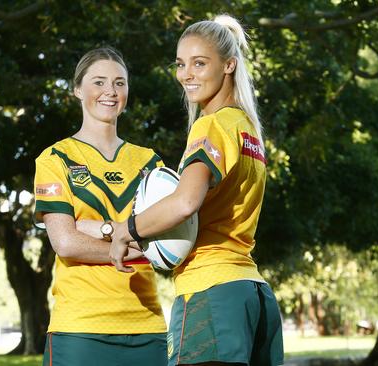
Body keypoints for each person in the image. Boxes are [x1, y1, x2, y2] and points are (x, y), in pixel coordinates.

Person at [108, 15, 284, 366]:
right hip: (254, 294)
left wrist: (127, 230)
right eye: (180, 64)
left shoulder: (212, 125)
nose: (186, 74)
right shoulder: (248, 129)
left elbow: (185, 201)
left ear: (229, 65)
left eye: (199, 63)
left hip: (212, 292)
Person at [33, 47, 167, 366]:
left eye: (120, 83)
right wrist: (136, 240)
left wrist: (98, 228)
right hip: (80, 330)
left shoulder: (152, 163)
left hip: (147, 328)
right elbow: (65, 243)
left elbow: (171, 241)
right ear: (78, 89)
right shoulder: (55, 158)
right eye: (99, 82)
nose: (110, 91)